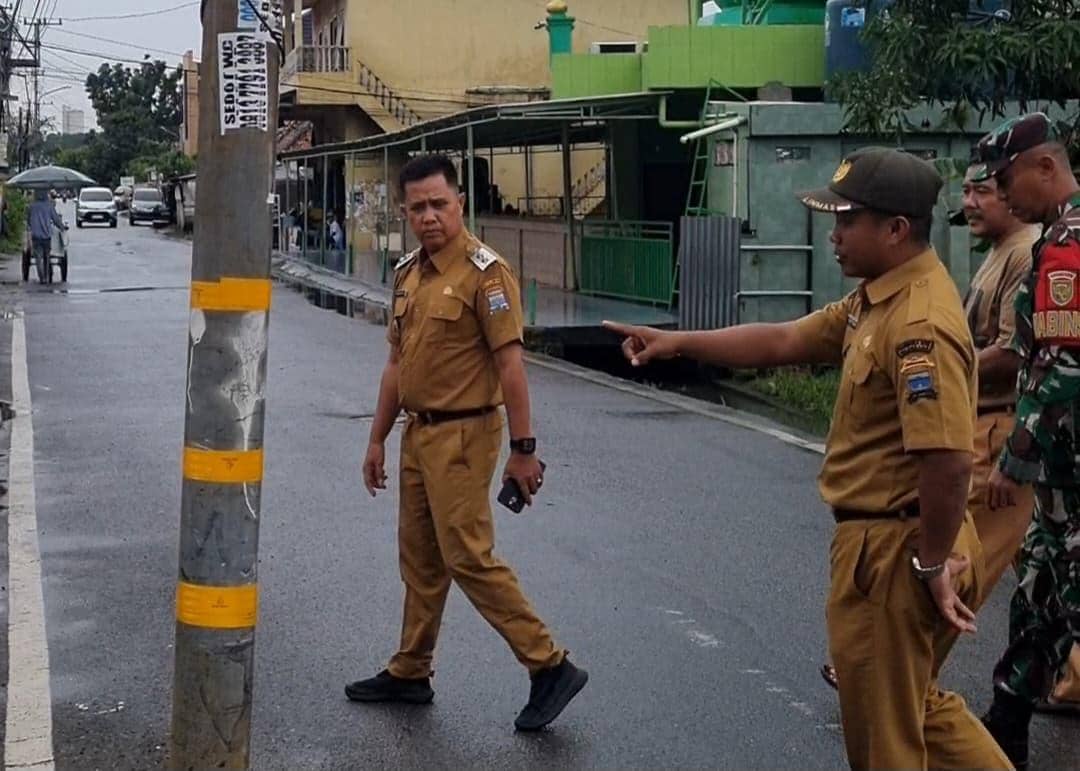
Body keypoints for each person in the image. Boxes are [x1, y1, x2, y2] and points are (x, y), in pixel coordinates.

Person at [605, 147, 1010, 770]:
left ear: (896, 229)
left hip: (897, 549)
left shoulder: (919, 322)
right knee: (912, 707)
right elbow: (787, 338)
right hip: (889, 542)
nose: (835, 234)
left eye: (848, 219)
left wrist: (930, 564)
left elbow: (948, 460)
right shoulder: (879, 297)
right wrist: (678, 340)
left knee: (885, 741)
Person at [346, 154, 588, 732]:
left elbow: (512, 367)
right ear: (405, 213)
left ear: (460, 204)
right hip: (418, 433)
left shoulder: (487, 273)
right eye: (418, 208)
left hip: (465, 432)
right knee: (421, 559)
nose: (429, 217)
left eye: (440, 204)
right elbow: (396, 365)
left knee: (467, 557)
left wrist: (523, 448)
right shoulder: (408, 273)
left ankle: (548, 664)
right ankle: (411, 669)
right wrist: (376, 439)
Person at [974, 112, 1080, 769]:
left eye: (1008, 179)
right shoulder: (1053, 241)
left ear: (1046, 167)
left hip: (1068, 457)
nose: (1002, 193)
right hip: (1063, 465)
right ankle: (1006, 719)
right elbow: (1027, 346)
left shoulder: (1070, 244)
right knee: (1040, 587)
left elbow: (1062, 362)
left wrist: (1017, 453)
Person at [27, 189, 66, 282]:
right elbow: (56, 219)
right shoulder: (49, 206)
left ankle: (42, 278)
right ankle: (46, 276)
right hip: (47, 235)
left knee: (38, 258)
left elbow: (28, 220)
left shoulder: (31, 206)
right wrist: (62, 227)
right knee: (46, 258)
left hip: (36, 235)